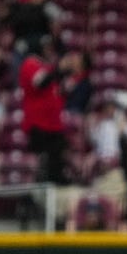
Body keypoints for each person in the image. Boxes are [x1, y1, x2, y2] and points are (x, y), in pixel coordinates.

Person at [20, 35, 73, 185]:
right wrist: (59, 69)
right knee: (45, 166)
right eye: (46, 47)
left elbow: (58, 93)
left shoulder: (47, 67)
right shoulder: (30, 63)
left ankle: (56, 188)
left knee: (57, 164)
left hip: (53, 125)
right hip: (39, 124)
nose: (49, 50)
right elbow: (40, 82)